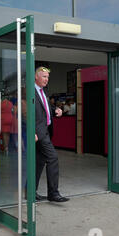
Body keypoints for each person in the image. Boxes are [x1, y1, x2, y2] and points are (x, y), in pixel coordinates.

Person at [34, 66, 69, 202]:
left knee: (39, 162)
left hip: (46, 131)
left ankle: (31, 191)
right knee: (53, 157)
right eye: (44, 76)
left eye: (48, 77)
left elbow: (45, 108)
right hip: (39, 132)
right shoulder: (29, 91)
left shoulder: (44, 91)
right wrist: (31, 132)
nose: (46, 79)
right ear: (36, 77)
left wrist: (56, 110)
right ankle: (53, 193)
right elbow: (24, 113)